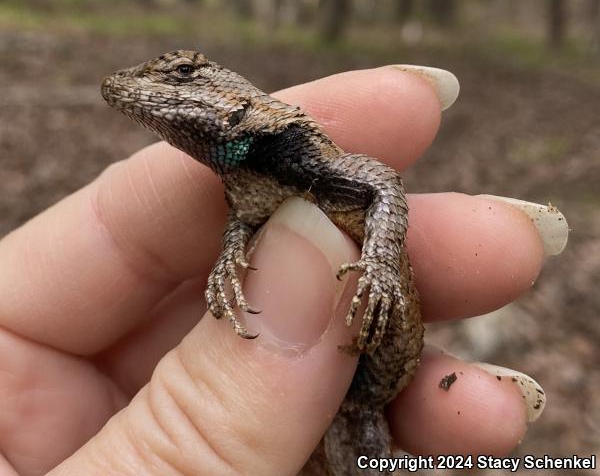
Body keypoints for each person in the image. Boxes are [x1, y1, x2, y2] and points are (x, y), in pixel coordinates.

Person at [0, 65, 566, 475]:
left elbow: (382, 185)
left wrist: (379, 261)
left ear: (234, 99)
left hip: (374, 377)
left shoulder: (298, 150)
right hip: (322, 404)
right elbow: (244, 222)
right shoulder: (245, 181)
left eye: (179, 78)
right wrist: (229, 263)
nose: (156, 95)